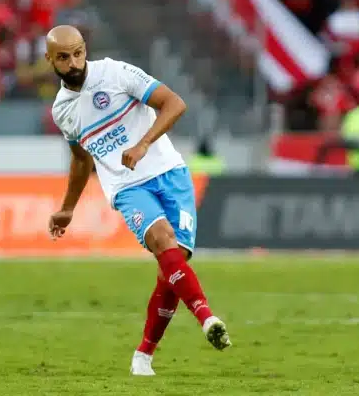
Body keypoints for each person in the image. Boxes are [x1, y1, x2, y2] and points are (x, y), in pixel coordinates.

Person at [46, 25, 231, 377]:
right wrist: (68, 207)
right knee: (164, 242)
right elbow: (82, 159)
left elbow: (174, 104)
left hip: (171, 175)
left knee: (173, 266)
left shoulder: (115, 73)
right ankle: (207, 318)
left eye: (78, 52)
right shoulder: (63, 111)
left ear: (86, 49)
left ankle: (143, 355)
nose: (74, 62)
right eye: (64, 57)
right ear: (50, 60)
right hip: (128, 187)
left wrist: (143, 143)